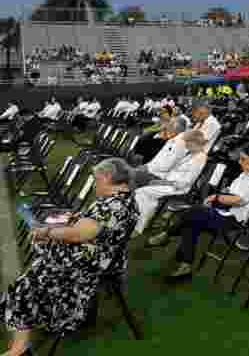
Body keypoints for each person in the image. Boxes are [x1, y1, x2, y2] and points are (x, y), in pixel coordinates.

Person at [2, 158, 139, 356]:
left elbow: (78, 234)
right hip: (98, 258)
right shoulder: (125, 199)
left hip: (87, 266)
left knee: (27, 282)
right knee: (38, 264)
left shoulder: (112, 206)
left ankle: (20, 348)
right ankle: (24, 311)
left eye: (96, 179)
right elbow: (90, 230)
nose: (94, 184)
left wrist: (47, 232)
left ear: (107, 177)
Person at [147, 143, 249, 281]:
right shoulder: (244, 173)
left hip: (233, 219)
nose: (239, 162)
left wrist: (216, 197)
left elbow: (238, 200)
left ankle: (168, 234)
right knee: (192, 221)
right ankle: (185, 264)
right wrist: (219, 196)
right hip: (222, 211)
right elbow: (229, 191)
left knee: (194, 212)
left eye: (243, 159)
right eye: (239, 158)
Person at [133, 130, 207, 235]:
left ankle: (139, 226)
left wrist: (162, 183)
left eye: (187, 143)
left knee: (142, 192)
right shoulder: (191, 154)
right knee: (144, 192)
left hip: (177, 188)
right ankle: (144, 218)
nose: (185, 145)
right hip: (170, 183)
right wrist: (160, 181)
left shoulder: (200, 158)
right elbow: (174, 172)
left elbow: (185, 182)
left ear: (193, 142)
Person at [133, 116, 189, 188]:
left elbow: (166, 166)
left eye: (170, 126)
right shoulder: (173, 140)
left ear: (175, 128)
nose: (167, 128)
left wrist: (147, 167)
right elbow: (158, 159)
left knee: (127, 173)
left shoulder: (179, 143)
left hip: (158, 176)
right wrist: (147, 166)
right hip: (153, 172)